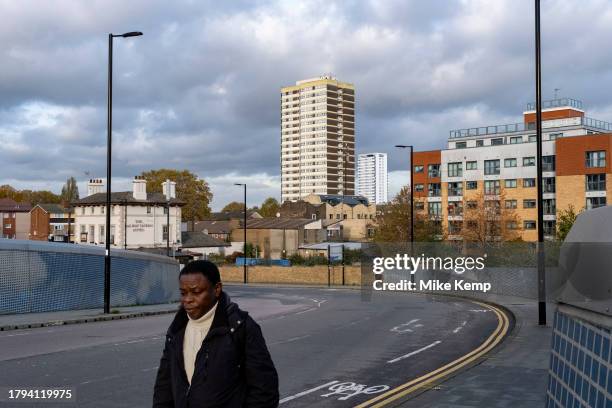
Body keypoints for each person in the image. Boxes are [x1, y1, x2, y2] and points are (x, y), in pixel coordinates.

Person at [153, 260, 279, 407]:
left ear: (217, 289)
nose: (187, 299)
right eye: (183, 293)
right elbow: (164, 387)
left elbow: (265, 390)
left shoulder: (240, 327)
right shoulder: (176, 329)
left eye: (196, 292)